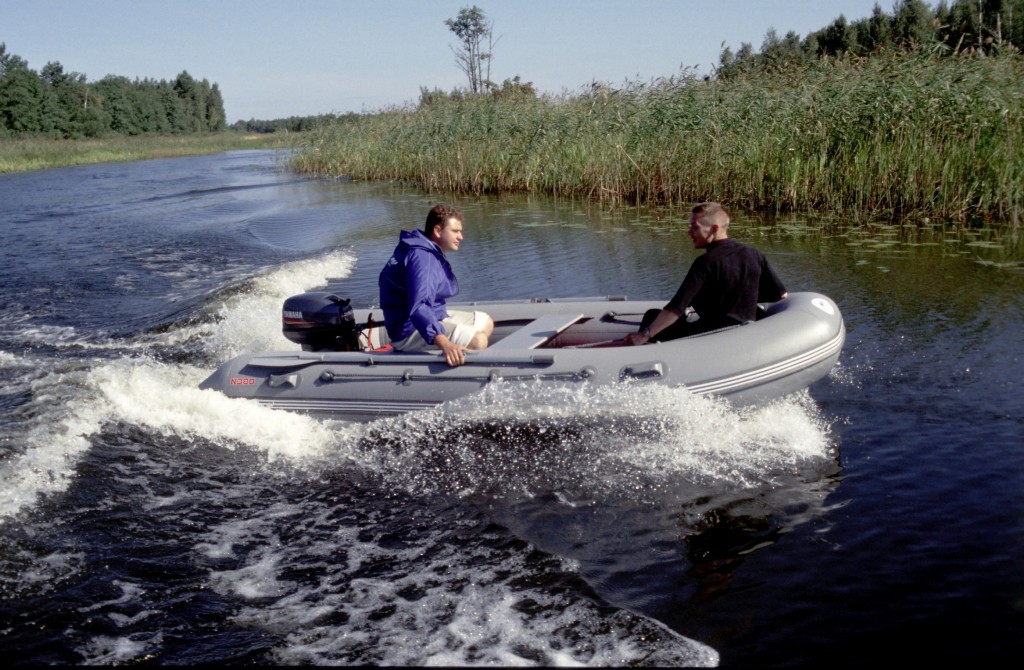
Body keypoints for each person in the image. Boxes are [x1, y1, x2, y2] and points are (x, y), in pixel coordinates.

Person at [624, 201, 788, 346]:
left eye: (695, 227)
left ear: (714, 229)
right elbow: (780, 295)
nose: (690, 233)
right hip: (745, 334)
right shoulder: (755, 255)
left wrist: (644, 335)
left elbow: (675, 309)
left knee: (652, 316)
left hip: (712, 338)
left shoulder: (706, 262)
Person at [378, 204, 494, 366]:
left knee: (485, 321)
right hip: (409, 330)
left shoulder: (423, 246)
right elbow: (419, 308)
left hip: (433, 315)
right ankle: (463, 370)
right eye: (455, 231)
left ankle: (460, 354)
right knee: (478, 341)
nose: (461, 237)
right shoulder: (423, 260)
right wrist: (445, 344)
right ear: (438, 231)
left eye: (460, 231)